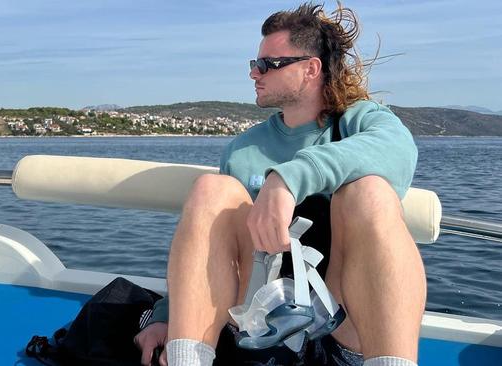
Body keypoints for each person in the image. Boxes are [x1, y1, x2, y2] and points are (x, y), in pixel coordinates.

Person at [134, 2, 425, 366]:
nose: (255, 73)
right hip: (258, 323)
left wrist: (287, 179)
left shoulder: (362, 122)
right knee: (213, 190)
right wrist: (166, 315)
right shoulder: (243, 150)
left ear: (310, 69)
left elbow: (397, 150)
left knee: (370, 192)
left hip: (343, 324)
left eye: (268, 65)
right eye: (254, 64)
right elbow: (208, 245)